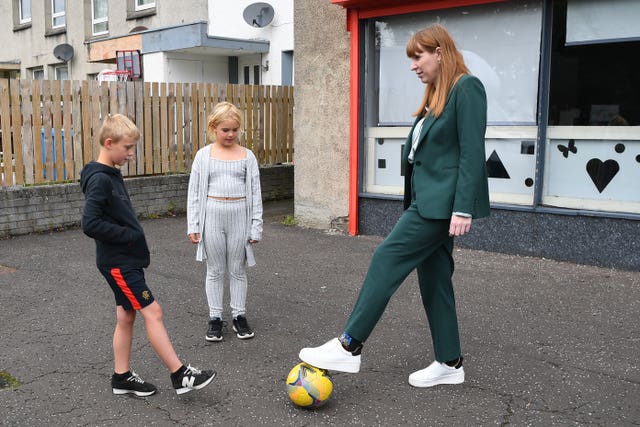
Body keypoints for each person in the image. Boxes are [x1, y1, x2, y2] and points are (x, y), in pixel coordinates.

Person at [299, 24, 490, 388]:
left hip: (441, 206)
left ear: (439, 52)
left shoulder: (467, 87)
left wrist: (463, 208)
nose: (413, 65)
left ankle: (349, 345)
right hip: (426, 202)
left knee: (386, 257)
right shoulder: (437, 97)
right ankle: (450, 362)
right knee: (435, 281)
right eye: (411, 59)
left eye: (418, 56)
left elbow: (471, 151)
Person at [80, 114, 216, 396]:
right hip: (118, 262)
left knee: (126, 316)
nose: (131, 154)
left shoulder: (108, 174)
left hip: (124, 260)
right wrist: (129, 236)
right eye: (127, 148)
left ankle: (121, 378)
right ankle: (180, 374)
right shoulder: (100, 180)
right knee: (152, 311)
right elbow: (90, 224)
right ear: (109, 143)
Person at [187, 102, 263, 342]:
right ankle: (215, 318)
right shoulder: (203, 155)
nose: (230, 134)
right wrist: (194, 225)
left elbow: (256, 192)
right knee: (215, 269)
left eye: (234, 129)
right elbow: (195, 193)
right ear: (213, 128)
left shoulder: (247, 156)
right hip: (213, 216)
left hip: (240, 214)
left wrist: (256, 225)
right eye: (225, 130)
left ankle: (239, 316)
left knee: (237, 269)